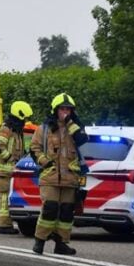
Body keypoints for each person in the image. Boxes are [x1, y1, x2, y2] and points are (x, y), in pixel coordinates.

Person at [30, 93, 87, 255]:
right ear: (55, 110)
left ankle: (61, 243)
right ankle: (39, 241)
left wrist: (70, 123)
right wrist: (44, 162)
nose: (65, 112)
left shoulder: (76, 128)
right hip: (50, 177)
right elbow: (34, 148)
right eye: (62, 109)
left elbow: (82, 140)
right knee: (50, 209)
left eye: (68, 109)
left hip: (70, 178)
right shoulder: (44, 128)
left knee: (67, 212)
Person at [0, 100, 33, 235]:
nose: (26, 120)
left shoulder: (16, 129)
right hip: (4, 169)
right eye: (25, 117)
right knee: (5, 197)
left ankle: (3, 222)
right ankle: (4, 225)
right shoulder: (6, 128)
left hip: (11, 170)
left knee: (7, 197)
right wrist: (10, 158)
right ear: (20, 114)